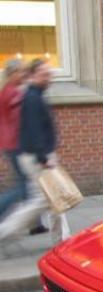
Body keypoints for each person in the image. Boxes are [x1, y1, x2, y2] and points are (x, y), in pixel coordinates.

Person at [0, 59, 69, 245]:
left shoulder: (33, 94)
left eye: (50, 74)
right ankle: (4, 231)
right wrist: (43, 157)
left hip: (33, 152)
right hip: (32, 154)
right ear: (32, 75)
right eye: (44, 74)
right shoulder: (27, 97)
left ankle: (62, 240)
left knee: (53, 199)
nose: (49, 78)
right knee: (39, 199)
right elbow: (32, 128)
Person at [0, 59, 28, 219]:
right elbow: (20, 121)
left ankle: (35, 223)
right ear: (13, 73)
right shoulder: (14, 94)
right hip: (16, 144)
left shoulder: (5, 90)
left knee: (27, 183)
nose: (24, 74)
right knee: (24, 187)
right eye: (21, 71)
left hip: (8, 143)